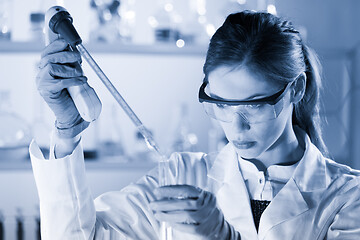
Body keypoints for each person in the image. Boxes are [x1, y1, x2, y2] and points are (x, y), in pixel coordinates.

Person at [30, 10, 360, 240]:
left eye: (254, 106)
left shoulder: (348, 196)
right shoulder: (180, 174)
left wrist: (223, 236)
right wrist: (67, 129)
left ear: (296, 90)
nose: (235, 126)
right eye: (220, 105)